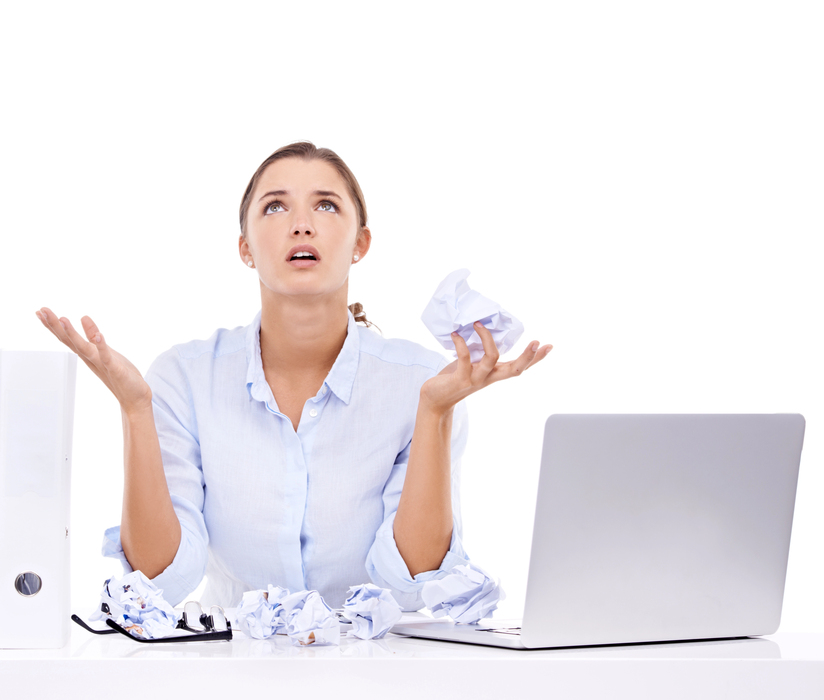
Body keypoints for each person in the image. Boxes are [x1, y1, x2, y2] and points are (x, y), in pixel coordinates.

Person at [35, 141, 552, 610]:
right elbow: (160, 582)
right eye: (275, 206)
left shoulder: (420, 382)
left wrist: (435, 412)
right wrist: (135, 412)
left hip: (378, 672)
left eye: (326, 205)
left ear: (360, 243)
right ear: (245, 248)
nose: (301, 224)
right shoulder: (182, 378)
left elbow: (412, 580)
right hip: (233, 670)